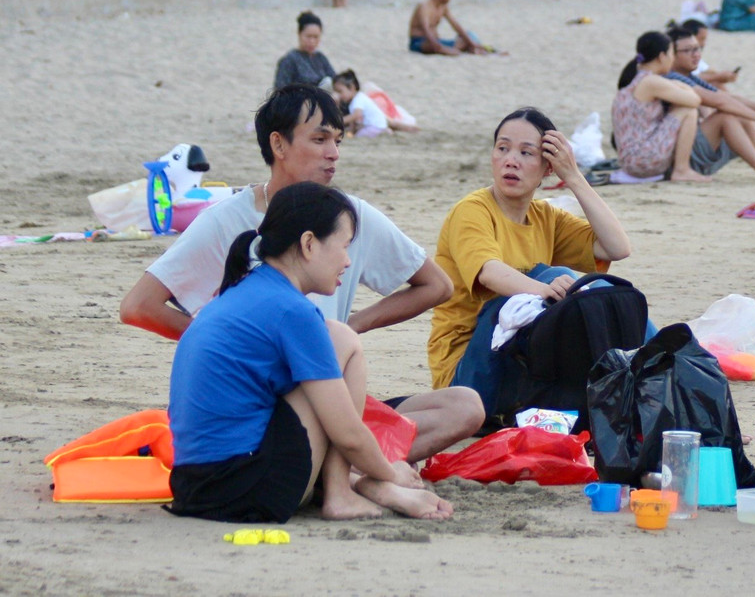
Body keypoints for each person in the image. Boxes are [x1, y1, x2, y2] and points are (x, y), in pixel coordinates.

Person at [119, 85, 483, 463]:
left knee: (465, 406)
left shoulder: (347, 216)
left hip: (332, 391)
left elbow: (436, 285)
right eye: (320, 138)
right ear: (279, 145)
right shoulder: (228, 220)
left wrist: (352, 327)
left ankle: (349, 467)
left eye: (338, 140)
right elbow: (138, 306)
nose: (334, 153)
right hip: (267, 402)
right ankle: (353, 470)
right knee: (330, 423)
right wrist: (233, 352)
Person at [167, 182, 453, 523]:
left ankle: (348, 486)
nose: (347, 261)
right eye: (344, 246)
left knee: (333, 339)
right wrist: (390, 473)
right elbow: (348, 435)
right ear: (308, 244)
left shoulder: (243, 291)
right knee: (344, 341)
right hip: (247, 492)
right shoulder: (293, 310)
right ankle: (343, 493)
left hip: (191, 486)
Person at [428, 107, 632, 400]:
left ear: (548, 168)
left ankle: (648, 362)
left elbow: (617, 247)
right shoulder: (472, 210)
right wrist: (548, 290)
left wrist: (574, 177)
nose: (511, 160)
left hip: (517, 365)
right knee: (560, 278)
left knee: (600, 291)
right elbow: (490, 272)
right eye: (503, 148)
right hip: (463, 380)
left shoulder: (546, 217)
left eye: (526, 153)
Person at [666, 25, 755, 185]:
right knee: (725, 117)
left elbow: (728, 97)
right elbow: (720, 102)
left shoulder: (689, 76)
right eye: (688, 50)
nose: (696, 55)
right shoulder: (672, 77)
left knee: (739, 114)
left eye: (698, 49)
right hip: (677, 156)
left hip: (689, 149)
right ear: (672, 55)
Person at [611, 32, 711, 182]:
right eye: (671, 53)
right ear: (661, 56)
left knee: (681, 107)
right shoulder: (651, 82)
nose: (672, 58)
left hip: (630, 162)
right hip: (643, 162)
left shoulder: (635, 78)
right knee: (688, 110)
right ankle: (682, 170)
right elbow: (695, 100)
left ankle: (681, 169)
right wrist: (680, 84)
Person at [407, 0, 496, 55]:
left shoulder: (443, 7)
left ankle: (467, 48)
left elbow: (456, 25)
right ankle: (448, 49)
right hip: (419, 42)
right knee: (431, 46)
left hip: (437, 41)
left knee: (466, 39)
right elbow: (425, 28)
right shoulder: (424, 6)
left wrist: (471, 42)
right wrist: (436, 45)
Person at [332, 70, 415, 136]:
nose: (338, 95)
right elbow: (353, 122)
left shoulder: (358, 99)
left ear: (352, 88)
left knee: (361, 135)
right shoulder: (355, 100)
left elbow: (356, 115)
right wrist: (352, 132)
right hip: (378, 124)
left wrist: (341, 121)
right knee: (357, 132)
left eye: (340, 91)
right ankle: (386, 131)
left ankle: (385, 132)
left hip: (374, 126)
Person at [274, 11, 335, 90]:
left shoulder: (321, 58)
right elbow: (280, 89)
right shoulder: (289, 60)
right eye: (308, 36)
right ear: (299, 34)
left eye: (316, 37)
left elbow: (335, 80)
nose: (312, 41)